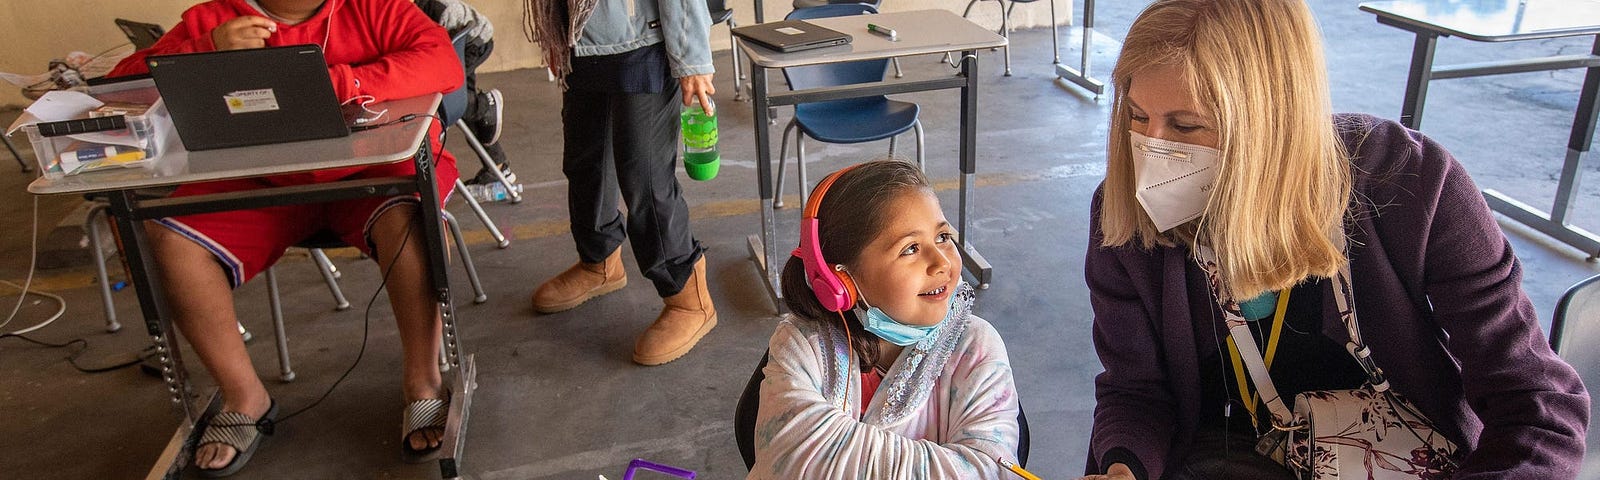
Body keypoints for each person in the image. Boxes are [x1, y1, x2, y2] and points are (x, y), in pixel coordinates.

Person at [1081, 1, 1589, 479]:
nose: (1153, 149)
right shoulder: (1125, 209)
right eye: (1137, 116)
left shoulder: (1413, 184)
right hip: (1230, 456)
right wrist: (1125, 465)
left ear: (1274, 120)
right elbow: (1136, 391)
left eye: (1186, 125)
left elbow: (1537, 404)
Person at [106, 0, 462, 475]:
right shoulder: (214, 18)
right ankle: (243, 395)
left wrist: (342, 83)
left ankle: (422, 382)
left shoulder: (374, 7)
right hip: (262, 183)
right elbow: (118, 88)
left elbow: (442, 62)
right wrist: (205, 49)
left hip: (369, 172)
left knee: (415, 223)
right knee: (168, 238)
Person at [750, 160, 1022, 478]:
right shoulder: (805, 342)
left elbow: (991, 470)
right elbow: (789, 457)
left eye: (943, 237)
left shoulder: (975, 346)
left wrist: (832, 452)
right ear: (842, 279)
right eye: (910, 249)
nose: (941, 262)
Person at [525, 0, 718, 365]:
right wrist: (557, 32)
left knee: (644, 179)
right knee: (585, 162)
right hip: (582, 42)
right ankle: (599, 262)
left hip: (643, 42)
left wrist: (693, 59)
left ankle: (689, 299)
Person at [414, 0, 515, 186]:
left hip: (474, 42)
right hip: (466, 40)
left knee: (455, 100)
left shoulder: (430, 11)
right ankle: (499, 168)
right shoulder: (419, 9)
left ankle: (484, 105)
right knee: (464, 108)